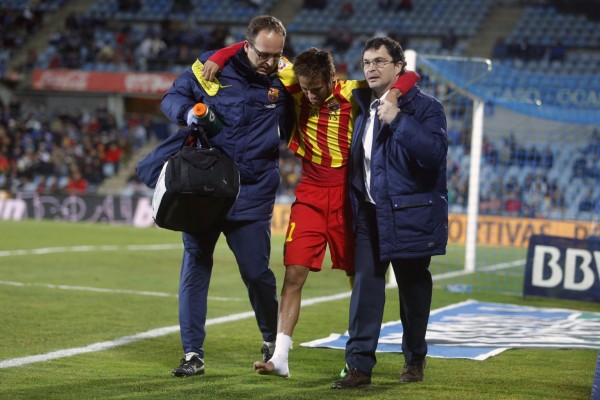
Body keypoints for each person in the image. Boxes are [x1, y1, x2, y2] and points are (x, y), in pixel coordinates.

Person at [203, 45, 419, 378]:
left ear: (332, 79)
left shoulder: (355, 90)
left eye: (316, 89)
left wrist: (392, 97)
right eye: (304, 88)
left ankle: (361, 354)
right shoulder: (295, 76)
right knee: (293, 274)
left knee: (360, 279)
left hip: (350, 197)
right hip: (310, 194)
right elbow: (252, 48)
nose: (309, 95)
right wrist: (218, 56)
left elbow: (409, 76)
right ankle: (280, 357)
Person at [159, 15, 293, 377]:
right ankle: (192, 353)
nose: (271, 62)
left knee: (256, 272)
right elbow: (172, 97)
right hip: (204, 188)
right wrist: (187, 112)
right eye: (264, 54)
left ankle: (270, 337)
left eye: (277, 55)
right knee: (195, 265)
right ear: (246, 46)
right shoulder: (209, 68)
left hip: (253, 191)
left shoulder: (285, 79)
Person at [331, 36, 448, 389]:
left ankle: (415, 359)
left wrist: (397, 118)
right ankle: (359, 367)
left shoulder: (427, 108)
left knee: (413, 293)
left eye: (380, 61)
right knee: (366, 289)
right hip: (370, 215)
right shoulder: (361, 105)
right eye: (367, 62)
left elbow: (432, 154)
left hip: (409, 215)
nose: (371, 68)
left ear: (399, 67)